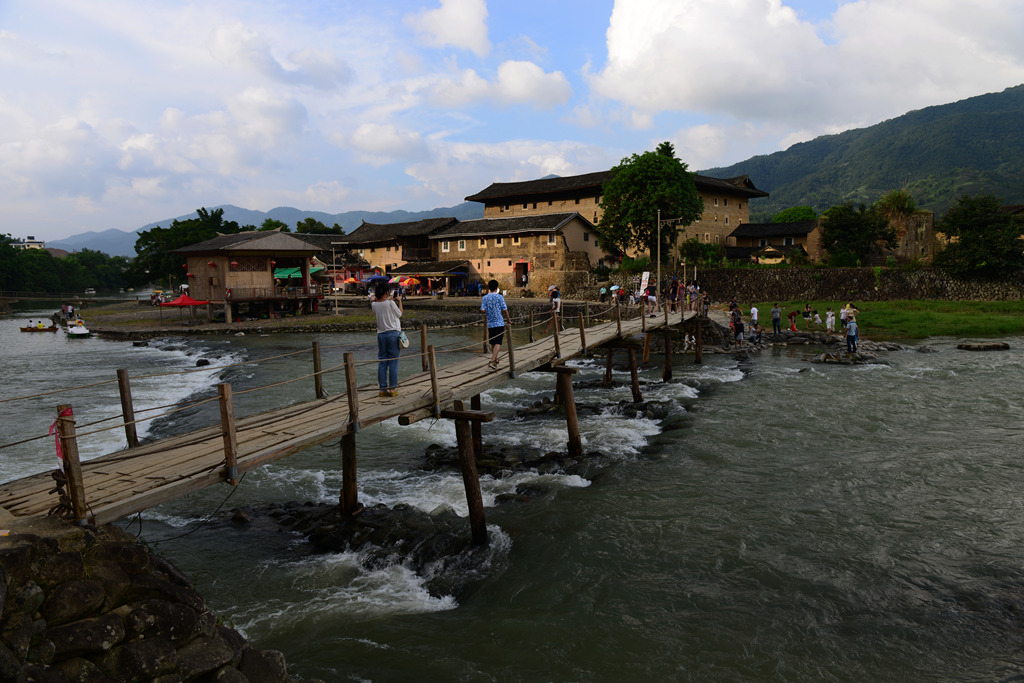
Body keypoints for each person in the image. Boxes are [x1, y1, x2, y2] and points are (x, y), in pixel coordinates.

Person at [370, 282, 403, 397]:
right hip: (393, 333)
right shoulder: (390, 303)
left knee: (382, 362)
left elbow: (377, 301)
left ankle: (382, 389)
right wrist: (399, 300)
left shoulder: (374, 305)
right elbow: (399, 314)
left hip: (381, 335)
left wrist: (387, 297)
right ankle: (392, 389)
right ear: (387, 292)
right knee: (393, 361)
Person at [481, 279, 512, 370]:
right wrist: (509, 320)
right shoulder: (499, 297)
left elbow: (482, 309)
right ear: (497, 288)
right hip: (499, 322)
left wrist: (487, 313)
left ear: (489, 288)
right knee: (498, 343)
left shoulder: (485, 298)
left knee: (493, 342)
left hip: (490, 323)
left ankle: (495, 360)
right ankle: (492, 360)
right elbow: (505, 309)